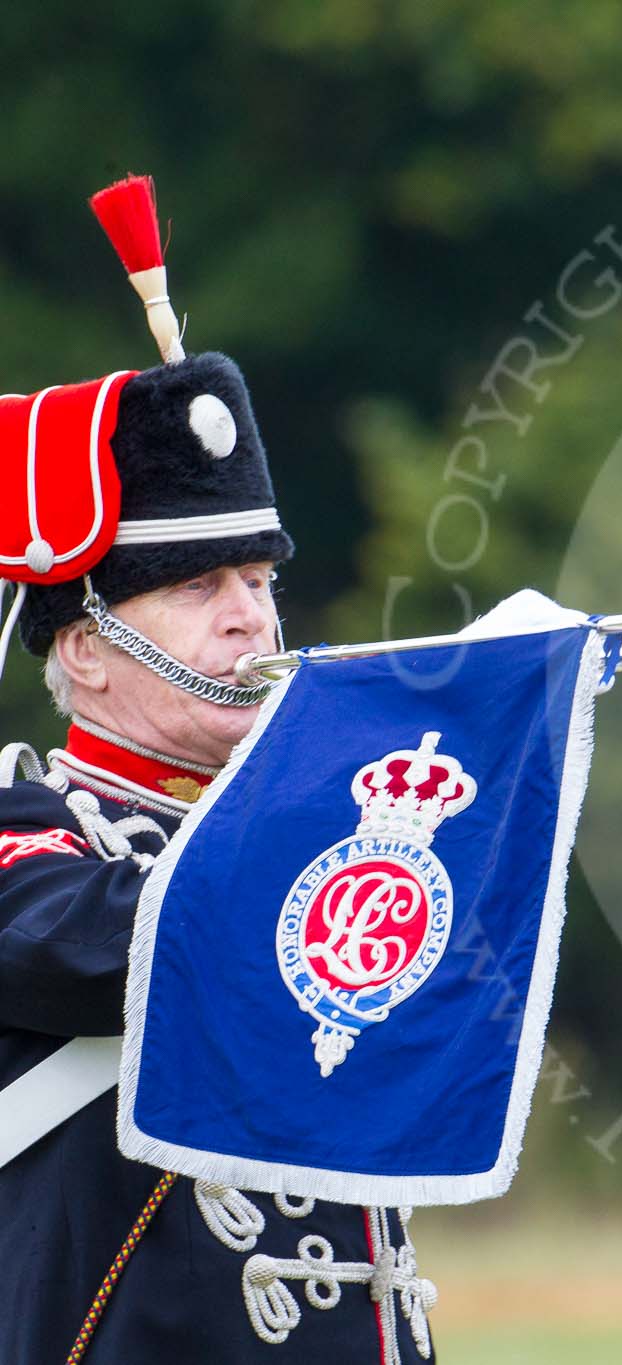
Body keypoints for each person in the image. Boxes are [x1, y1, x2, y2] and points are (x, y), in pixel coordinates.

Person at [0, 179, 434, 1364]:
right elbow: (114, 948)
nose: (252, 618)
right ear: (85, 649)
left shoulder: (316, 816)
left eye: (259, 582)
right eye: (200, 588)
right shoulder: (28, 831)